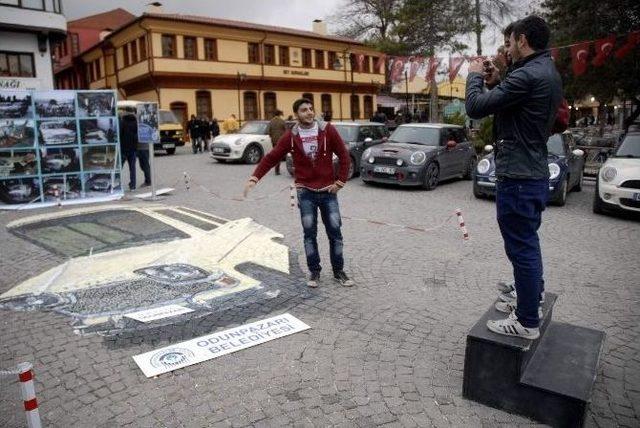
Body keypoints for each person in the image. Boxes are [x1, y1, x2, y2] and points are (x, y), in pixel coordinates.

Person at [465, 16, 562, 340]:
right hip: (530, 170)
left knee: (521, 248)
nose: (506, 49)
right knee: (527, 244)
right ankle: (529, 299)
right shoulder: (545, 70)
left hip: (519, 175)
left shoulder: (528, 75)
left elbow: (476, 107)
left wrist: (474, 77)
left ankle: (526, 322)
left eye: (509, 43)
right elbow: (513, 102)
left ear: (521, 40)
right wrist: (498, 80)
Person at [243, 98, 354, 288]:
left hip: (328, 191)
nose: (309, 112)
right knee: (309, 234)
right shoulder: (290, 136)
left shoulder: (327, 130)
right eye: (304, 110)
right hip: (306, 192)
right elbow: (271, 157)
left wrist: (341, 181)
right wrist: (255, 177)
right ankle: (314, 272)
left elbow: (344, 155)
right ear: (296, 114)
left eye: (311, 109)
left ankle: (338, 271)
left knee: (335, 233)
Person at [118, 113, 138, 190]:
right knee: (132, 168)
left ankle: (118, 184)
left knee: (119, 167)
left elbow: (120, 134)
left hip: (123, 148)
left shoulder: (122, 122)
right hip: (133, 149)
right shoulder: (135, 123)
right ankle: (133, 186)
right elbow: (137, 135)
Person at [267, 109, 286, 175]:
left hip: (274, 140)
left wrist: (272, 136)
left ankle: (276, 168)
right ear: (279, 114)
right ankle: (277, 170)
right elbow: (286, 131)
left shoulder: (271, 121)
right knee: (279, 155)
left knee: (276, 154)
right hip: (281, 140)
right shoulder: (282, 121)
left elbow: (268, 131)